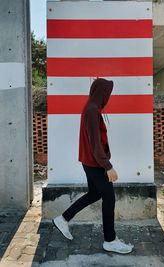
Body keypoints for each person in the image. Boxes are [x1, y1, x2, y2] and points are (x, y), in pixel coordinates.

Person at [52, 78, 134, 254]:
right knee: (109, 198)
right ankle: (110, 240)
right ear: (102, 92)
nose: (109, 97)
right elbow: (95, 144)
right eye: (108, 93)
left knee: (95, 194)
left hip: (90, 162)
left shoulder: (92, 107)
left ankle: (63, 219)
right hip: (95, 163)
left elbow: (94, 142)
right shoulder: (92, 110)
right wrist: (108, 166)